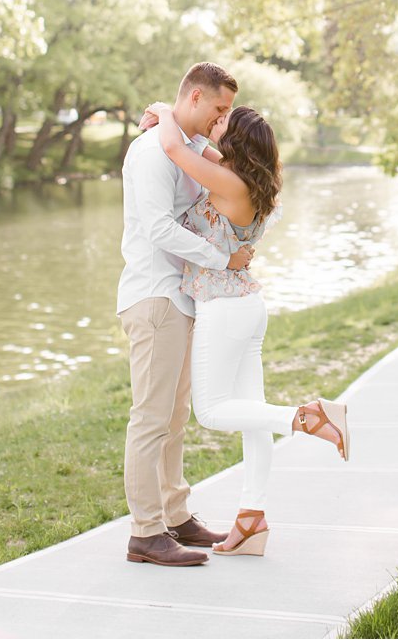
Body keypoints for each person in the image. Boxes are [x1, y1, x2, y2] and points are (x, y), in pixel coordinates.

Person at [145, 100, 350, 557]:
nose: (216, 123)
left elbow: (177, 151)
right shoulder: (244, 179)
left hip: (224, 307)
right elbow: (199, 154)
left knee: (212, 412)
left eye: (223, 122)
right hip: (245, 306)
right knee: (251, 420)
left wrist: (163, 111)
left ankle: (308, 417)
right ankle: (251, 519)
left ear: (236, 140)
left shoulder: (229, 182)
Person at [117, 61, 255, 568]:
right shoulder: (152, 150)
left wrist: (162, 111)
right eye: (219, 108)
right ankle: (145, 533)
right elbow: (157, 228)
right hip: (154, 297)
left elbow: (214, 165)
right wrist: (223, 258)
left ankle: (175, 515)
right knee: (150, 420)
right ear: (195, 98)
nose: (224, 119)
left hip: (179, 298)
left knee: (174, 418)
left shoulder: (185, 144)